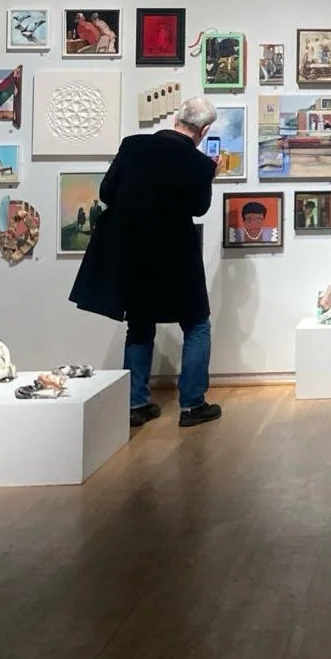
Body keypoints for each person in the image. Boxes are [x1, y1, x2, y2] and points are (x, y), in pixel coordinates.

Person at [68, 96, 223, 429]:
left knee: (139, 324)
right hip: (177, 256)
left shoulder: (133, 146)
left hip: (133, 254)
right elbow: (198, 208)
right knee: (196, 323)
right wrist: (210, 176)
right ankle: (192, 405)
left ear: (176, 118)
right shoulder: (199, 163)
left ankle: (135, 404)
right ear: (204, 130)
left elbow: (107, 192)